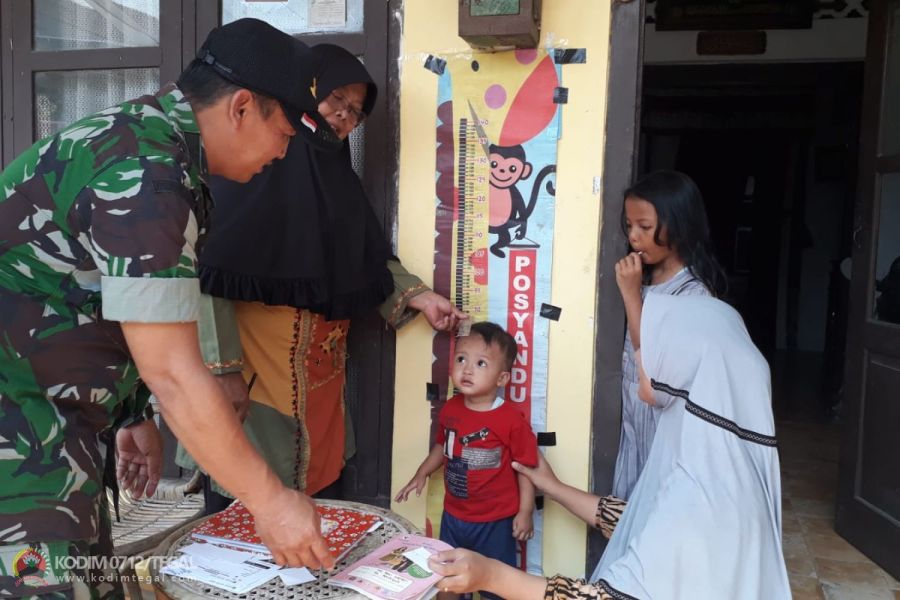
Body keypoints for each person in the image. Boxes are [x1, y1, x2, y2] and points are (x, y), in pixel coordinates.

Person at [0, 18, 344, 598]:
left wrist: (131, 414)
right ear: (240, 108)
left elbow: (88, 294)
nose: (284, 153)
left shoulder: (148, 139)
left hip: (53, 415)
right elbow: (176, 374)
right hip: (21, 432)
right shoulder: (146, 176)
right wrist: (270, 502)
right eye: (284, 132)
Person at [176, 42, 466, 509]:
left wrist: (416, 296)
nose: (343, 117)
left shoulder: (333, 174)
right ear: (305, 94)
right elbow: (208, 272)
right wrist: (222, 371)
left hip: (321, 392)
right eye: (336, 101)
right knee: (247, 510)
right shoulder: (246, 167)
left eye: (355, 112)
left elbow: (359, 253)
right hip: (255, 381)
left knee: (320, 511)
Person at [428, 294, 791, 600]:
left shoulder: (705, 511)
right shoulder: (716, 458)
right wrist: (553, 488)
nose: (635, 358)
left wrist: (493, 576)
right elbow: (642, 520)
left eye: (646, 349)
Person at [396, 322, 538, 600]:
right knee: (445, 579)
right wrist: (422, 472)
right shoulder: (451, 408)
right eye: (461, 359)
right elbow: (442, 445)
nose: (467, 369)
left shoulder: (510, 419)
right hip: (454, 516)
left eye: (481, 363)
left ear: (502, 379)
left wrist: (525, 511)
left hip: (495, 522)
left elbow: (526, 468)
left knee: (496, 586)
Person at [612, 170, 726, 499]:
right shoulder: (646, 280)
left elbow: (652, 361)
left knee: (655, 505)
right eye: (629, 225)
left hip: (664, 432)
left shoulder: (693, 295)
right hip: (636, 427)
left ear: (679, 225)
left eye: (645, 227)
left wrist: (632, 297)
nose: (634, 236)